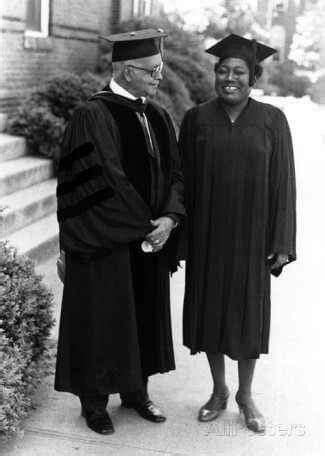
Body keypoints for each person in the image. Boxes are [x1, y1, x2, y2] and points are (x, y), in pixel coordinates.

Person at [55, 28, 185, 435]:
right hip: (105, 241)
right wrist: (146, 227)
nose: (159, 77)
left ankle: (136, 391)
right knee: (101, 317)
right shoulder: (92, 114)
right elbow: (103, 180)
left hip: (148, 239)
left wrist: (170, 218)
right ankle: (94, 402)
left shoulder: (158, 115)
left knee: (142, 316)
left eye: (160, 69)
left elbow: (177, 175)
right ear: (127, 70)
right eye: (152, 70)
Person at [179, 34, 296, 433]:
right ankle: (218, 390)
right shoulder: (196, 119)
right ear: (216, 75)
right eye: (223, 71)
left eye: (239, 72)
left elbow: (284, 184)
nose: (230, 78)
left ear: (253, 77)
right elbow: (181, 180)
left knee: (247, 317)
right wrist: (178, 233)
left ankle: (246, 395)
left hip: (252, 238)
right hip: (208, 234)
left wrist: (282, 241)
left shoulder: (272, 120)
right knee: (210, 313)